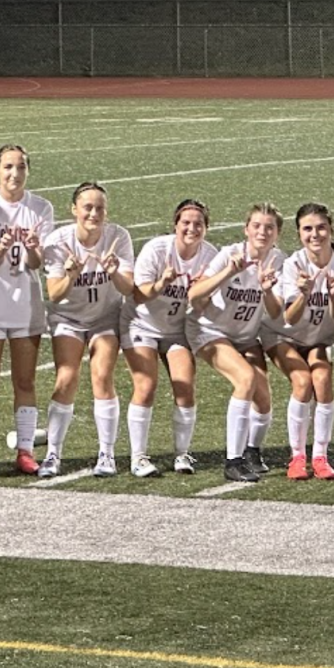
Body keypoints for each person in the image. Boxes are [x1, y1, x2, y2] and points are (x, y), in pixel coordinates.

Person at [0, 144, 55, 477]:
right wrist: (0, 246)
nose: (14, 174)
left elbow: (37, 263)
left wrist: (32, 249)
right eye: (7, 167)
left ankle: (25, 450)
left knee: (25, 381)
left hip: (26, 305)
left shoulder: (40, 207)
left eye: (20, 167)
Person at [39, 182, 135, 479]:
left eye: (100, 208)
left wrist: (113, 272)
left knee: (102, 376)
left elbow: (129, 288)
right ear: (74, 210)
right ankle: (53, 453)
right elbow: (54, 294)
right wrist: (71, 275)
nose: (94, 213)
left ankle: (106, 453)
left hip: (105, 317)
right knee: (66, 378)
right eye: (88, 207)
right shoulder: (58, 241)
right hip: (68, 318)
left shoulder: (118, 237)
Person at [187, 203, 284, 482]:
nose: (262, 232)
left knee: (263, 398)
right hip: (209, 329)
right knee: (245, 379)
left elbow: (277, 313)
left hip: (244, 336)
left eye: (269, 227)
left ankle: (252, 451)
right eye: (256, 226)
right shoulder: (229, 255)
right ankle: (233, 461)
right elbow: (194, 295)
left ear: (277, 233)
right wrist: (228, 273)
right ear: (246, 229)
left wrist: (266, 291)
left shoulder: (278, 260)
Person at [121, 199, 217, 477]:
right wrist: (163, 283)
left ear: (206, 228)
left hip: (177, 329)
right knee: (146, 384)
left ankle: (182, 454)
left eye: (198, 223)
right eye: (185, 222)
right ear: (175, 225)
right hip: (141, 323)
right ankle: (138, 457)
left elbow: (207, 306)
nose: (192, 228)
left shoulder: (210, 256)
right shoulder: (157, 250)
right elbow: (138, 295)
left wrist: (201, 293)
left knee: (184, 385)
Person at [263, 203, 334, 481]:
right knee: (302, 381)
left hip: (317, 338)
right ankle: (297, 456)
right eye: (307, 229)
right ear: (299, 233)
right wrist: (303, 293)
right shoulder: (293, 265)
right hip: (283, 336)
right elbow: (289, 317)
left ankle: (320, 456)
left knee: (322, 379)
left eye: (321, 227)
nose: (315, 234)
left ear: (331, 229)